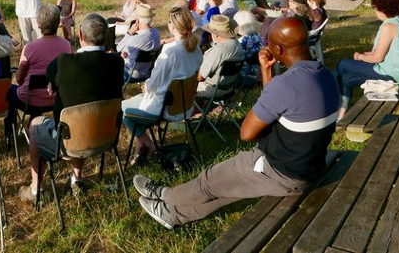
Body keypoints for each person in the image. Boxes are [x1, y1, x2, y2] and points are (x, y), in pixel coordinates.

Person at [134, 17, 339, 229]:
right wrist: (266, 71)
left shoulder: (286, 85)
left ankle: (165, 195)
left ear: (277, 49)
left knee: (210, 179)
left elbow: (247, 133)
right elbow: (275, 106)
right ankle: (173, 215)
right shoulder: (325, 75)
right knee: (229, 188)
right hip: (308, 167)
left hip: (279, 170)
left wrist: (270, 79)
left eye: (269, 43)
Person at [18, 14, 124, 201]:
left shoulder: (63, 63)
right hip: (107, 136)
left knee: (35, 124)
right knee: (80, 112)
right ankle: (77, 178)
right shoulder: (117, 62)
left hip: (70, 141)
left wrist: (54, 83)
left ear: (81, 35)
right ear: (106, 37)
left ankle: (36, 189)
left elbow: (51, 76)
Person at [122, 6, 203, 164]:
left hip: (164, 108)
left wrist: (146, 85)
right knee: (136, 103)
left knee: (123, 110)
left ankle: (149, 145)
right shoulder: (197, 49)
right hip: (185, 106)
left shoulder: (171, 51)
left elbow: (154, 82)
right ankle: (140, 150)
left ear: (172, 26)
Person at [336, 0, 399, 119]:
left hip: (393, 76)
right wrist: (365, 56)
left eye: (376, 8)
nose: (375, 10)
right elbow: (383, 52)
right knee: (346, 78)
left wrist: (360, 56)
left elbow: (378, 57)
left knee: (343, 65)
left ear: (383, 9)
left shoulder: (389, 27)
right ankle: (340, 113)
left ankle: (330, 101)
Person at [5, 5, 72, 138]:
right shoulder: (66, 45)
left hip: (29, 101)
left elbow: (19, 78)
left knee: (9, 91)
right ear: (57, 23)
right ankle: (35, 127)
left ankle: (10, 133)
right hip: (56, 99)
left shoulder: (30, 47)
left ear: (39, 25)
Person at [196, 15, 245, 99]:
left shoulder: (219, 50)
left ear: (216, 35)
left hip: (212, 90)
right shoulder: (237, 45)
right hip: (230, 88)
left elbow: (200, 77)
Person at [117, 3, 161, 81]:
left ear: (137, 20)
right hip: (146, 72)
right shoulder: (156, 33)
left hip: (130, 74)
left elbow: (118, 48)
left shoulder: (136, 39)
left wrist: (129, 33)